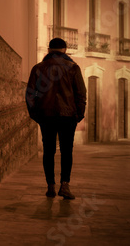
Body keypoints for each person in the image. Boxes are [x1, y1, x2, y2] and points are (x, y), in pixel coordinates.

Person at [25, 38, 87, 199]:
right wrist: (78, 115)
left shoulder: (38, 68)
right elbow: (81, 93)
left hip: (46, 116)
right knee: (67, 151)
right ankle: (64, 185)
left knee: (48, 151)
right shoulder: (73, 67)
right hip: (68, 116)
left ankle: (50, 186)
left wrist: (36, 115)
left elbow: (31, 94)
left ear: (49, 50)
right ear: (65, 50)